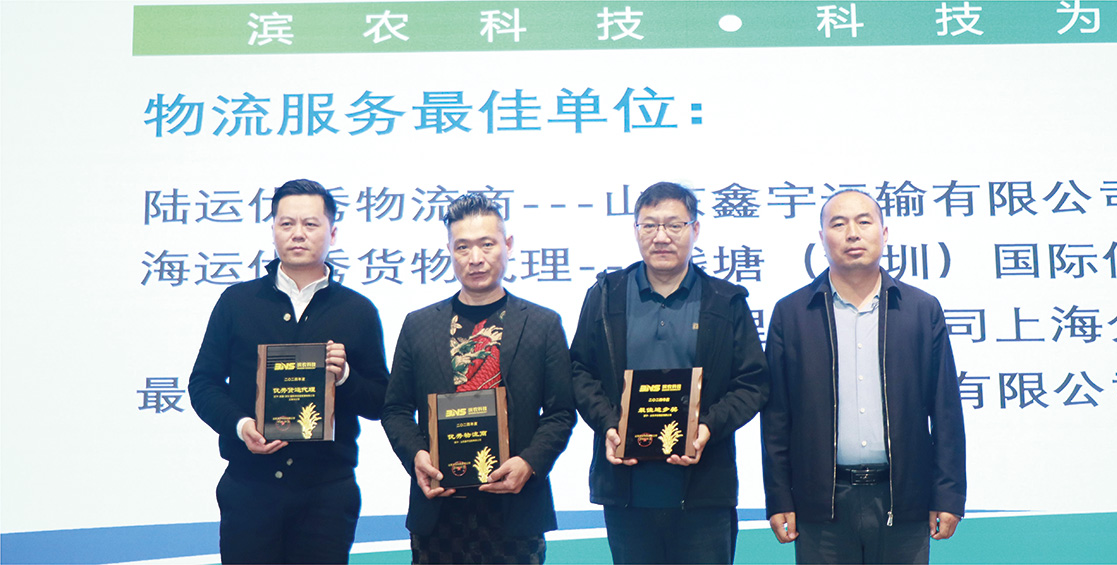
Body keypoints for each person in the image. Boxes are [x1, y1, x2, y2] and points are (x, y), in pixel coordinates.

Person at [188, 179, 390, 564]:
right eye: (287, 223)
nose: (298, 233)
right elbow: (203, 383)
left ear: (332, 233)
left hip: (326, 496)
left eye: (311, 224)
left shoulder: (358, 311)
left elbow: (382, 401)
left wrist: (345, 377)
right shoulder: (237, 301)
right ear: (273, 230)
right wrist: (241, 425)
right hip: (250, 489)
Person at [760, 189, 967, 564]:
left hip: (902, 500)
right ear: (822, 238)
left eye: (864, 222)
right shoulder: (792, 314)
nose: (852, 233)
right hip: (820, 504)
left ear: (884, 234)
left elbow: (946, 410)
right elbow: (776, 418)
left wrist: (949, 495)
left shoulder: (921, 310)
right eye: (838, 224)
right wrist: (778, 497)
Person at [569, 181, 769, 564]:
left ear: (695, 229)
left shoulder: (725, 301)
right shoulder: (607, 294)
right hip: (626, 491)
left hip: (704, 490)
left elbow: (752, 383)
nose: (661, 237)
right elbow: (580, 370)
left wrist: (707, 427)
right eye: (649, 225)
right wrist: (609, 425)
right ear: (636, 230)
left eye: (674, 225)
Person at [382, 193, 576, 564]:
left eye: (487, 244)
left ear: (508, 244)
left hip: (515, 510)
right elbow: (395, 409)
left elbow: (560, 412)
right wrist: (417, 456)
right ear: (449, 251)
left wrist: (529, 463)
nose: (475, 258)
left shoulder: (543, 324)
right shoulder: (418, 325)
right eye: (463, 247)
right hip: (439, 511)